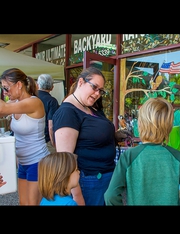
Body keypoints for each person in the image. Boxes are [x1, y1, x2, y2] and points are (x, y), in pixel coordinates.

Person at [104, 97, 180, 205]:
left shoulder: (129, 156)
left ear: (140, 124)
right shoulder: (177, 157)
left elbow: (111, 196)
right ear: (169, 127)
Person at [53, 66, 127, 205]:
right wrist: (78, 196)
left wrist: (115, 136)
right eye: (94, 87)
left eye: (101, 90)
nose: (97, 93)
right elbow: (65, 160)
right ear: (81, 82)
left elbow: (93, 137)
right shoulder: (67, 112)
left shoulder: (90, 108)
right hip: (89, 181)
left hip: (104, 177)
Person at [0, 68, 49, 205]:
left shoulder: (33, 102)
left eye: (6, 88)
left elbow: (2, 109)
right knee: (22, 203)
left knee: (32, 204)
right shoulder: (15, 103)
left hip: (38, 161)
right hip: (23, 162)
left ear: (19, 85)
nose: (5, 93)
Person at [37, 74, 59, 153]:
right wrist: (53, 142)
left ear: (37, 85)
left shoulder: (31, 98)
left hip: (31, 140)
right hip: (46, 140)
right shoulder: (52, 101)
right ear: (52, 87)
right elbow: (51, 125)